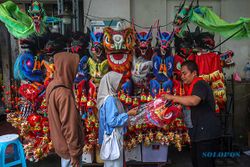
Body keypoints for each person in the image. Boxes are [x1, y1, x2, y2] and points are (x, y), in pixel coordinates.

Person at [162, 60, 221, 167]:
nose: (182, 77)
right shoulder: (190, 89)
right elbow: (188, 111)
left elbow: (194, 101)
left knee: (204, 164)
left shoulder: (200, 84)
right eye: (181, 74)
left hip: (206, 135)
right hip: (197, 134)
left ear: (194, 73)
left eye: (184, 73)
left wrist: (173, 97)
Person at [46, 52, 84, 167]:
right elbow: (69, 126)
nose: (76, 72)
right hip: (68, 149)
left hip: (62, 145)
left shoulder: (52, 85)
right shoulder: (64, 94)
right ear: (68, 68)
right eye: (74, 68)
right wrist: (74, 153)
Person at [97, 71, 137, 167]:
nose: (121, 85)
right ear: (112, 83)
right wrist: (128, 114)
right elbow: (112, 121)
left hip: (112, 137)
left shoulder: (112, 98)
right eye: (119, 82)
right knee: (114, 163)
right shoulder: (110, 99)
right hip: (113, 138)